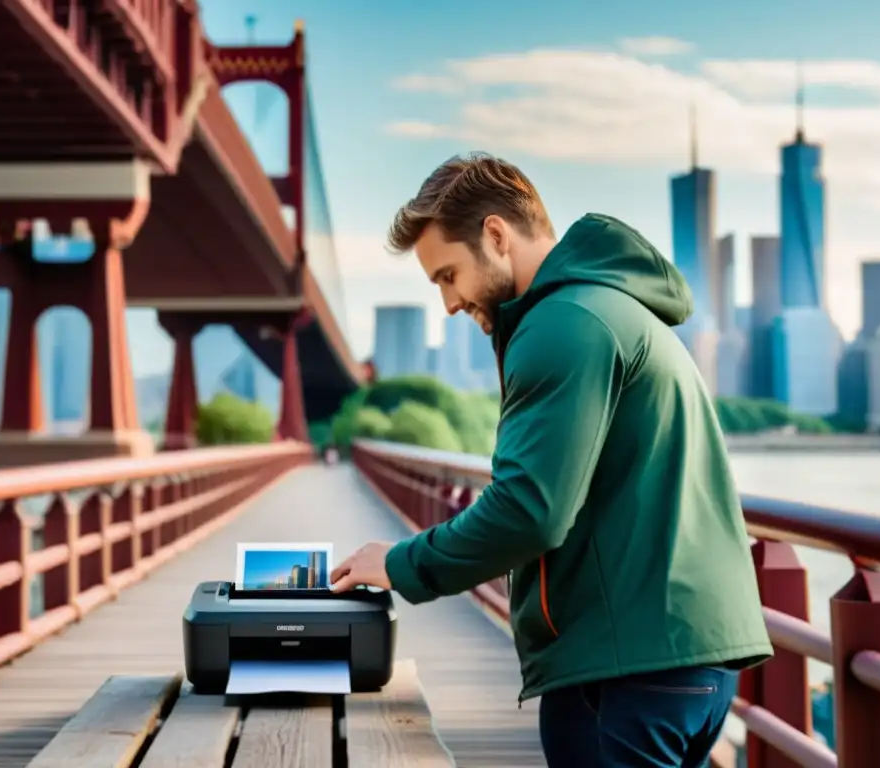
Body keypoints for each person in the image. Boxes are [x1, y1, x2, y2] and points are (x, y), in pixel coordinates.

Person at [330, 152, 773, 767]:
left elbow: (529, 509)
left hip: (622, 676)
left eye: (448, 276)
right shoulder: (613, 307)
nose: (450, 304)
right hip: (692, 662)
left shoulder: (561, 323)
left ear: (495, 235)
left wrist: (402, 563)